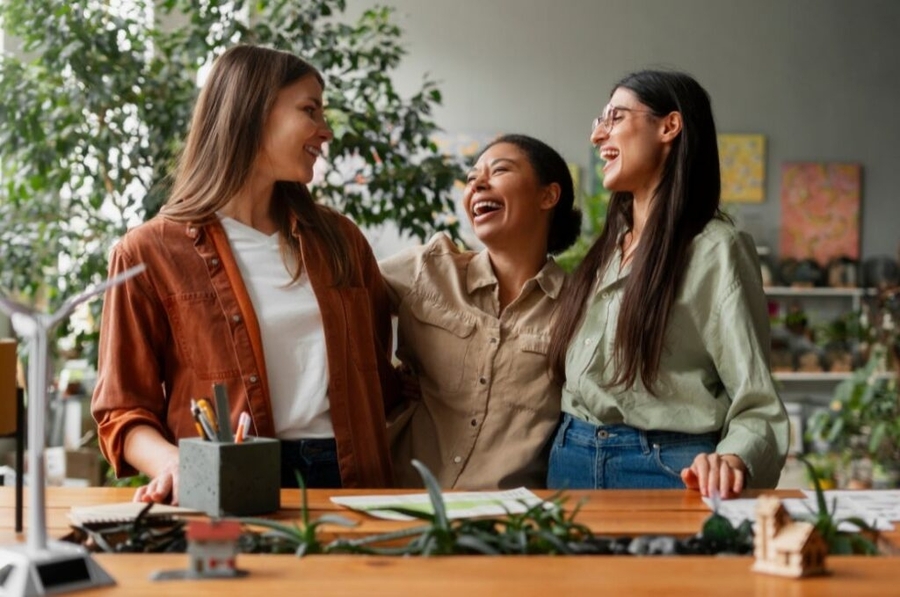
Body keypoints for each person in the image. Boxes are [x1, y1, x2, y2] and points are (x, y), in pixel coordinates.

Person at [91, 45, 397, 504]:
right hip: (225, 484)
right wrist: (174, 464)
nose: (325, 130)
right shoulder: (147, 252)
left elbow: (383, 382)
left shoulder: (342, 241)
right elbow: (122, 410)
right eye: (309, 110)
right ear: (252, 112)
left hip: (354, 482)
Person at [546, 70, 789, 499]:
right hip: (569, 458)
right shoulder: (605, 250)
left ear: (669, 126)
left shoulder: (716, 249)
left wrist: (733, 458)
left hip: (665, 467)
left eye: (614, 117)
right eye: (598, 122)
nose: (598, 135)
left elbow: (757, 401)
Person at [380, 134, 582, 489]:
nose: (477, 185)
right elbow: (333, 301)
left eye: (499, 170)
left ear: (548, 196)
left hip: (506, 520)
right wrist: (379, 379)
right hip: (402, 501)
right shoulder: (429, 268)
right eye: (472, 178)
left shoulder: (578, 307)